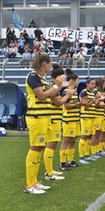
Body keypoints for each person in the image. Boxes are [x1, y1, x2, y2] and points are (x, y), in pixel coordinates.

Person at [24, 52, 69, 194]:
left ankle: (34, 182)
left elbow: (50, 94)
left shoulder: (41, 79)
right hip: (36, 117)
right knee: (35, 148)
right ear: (44, 64)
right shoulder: (33, 76)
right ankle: (30, 184)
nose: (50, 66)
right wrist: (57, 85)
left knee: (39, 148)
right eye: (49, 63)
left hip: (44, 117)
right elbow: (42, 95)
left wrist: (58, 86)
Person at [44, 64, 76, 180]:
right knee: (51, 144)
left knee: (53, 144)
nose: (64, 78)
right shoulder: (52, 85)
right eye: (63, 76)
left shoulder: (53, 86)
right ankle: (48, 173)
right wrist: (68, 95)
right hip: (53, 118)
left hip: (55, 118)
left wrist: (62, 88)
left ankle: (50, 170)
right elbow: (58, 102)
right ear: (57, 76)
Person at [59, 69, 86, 170]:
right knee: (66, 141)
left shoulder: (74, 92)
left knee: (73, 141)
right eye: (78, 80)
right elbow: (66, 106)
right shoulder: (66, 92)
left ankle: (70, 161)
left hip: (75, 120)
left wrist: (79, 107)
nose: (78, 82)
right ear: (73, 81)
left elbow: (73, 105)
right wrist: (78, 104)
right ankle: (62, 163)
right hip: (69, 120)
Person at [78, 77, 98, 164]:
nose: (94, 85)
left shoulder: (93, 93)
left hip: (92, 117)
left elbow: (95, 105)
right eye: (92, 83)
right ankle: (81, 157)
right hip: (86, 118)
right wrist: (93, 100)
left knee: (89, 137)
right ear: (87, 84)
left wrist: (97, 99)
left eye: (94, 84)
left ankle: (87, 155)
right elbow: (85, 106)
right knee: (84, 137)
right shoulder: (84, 92)